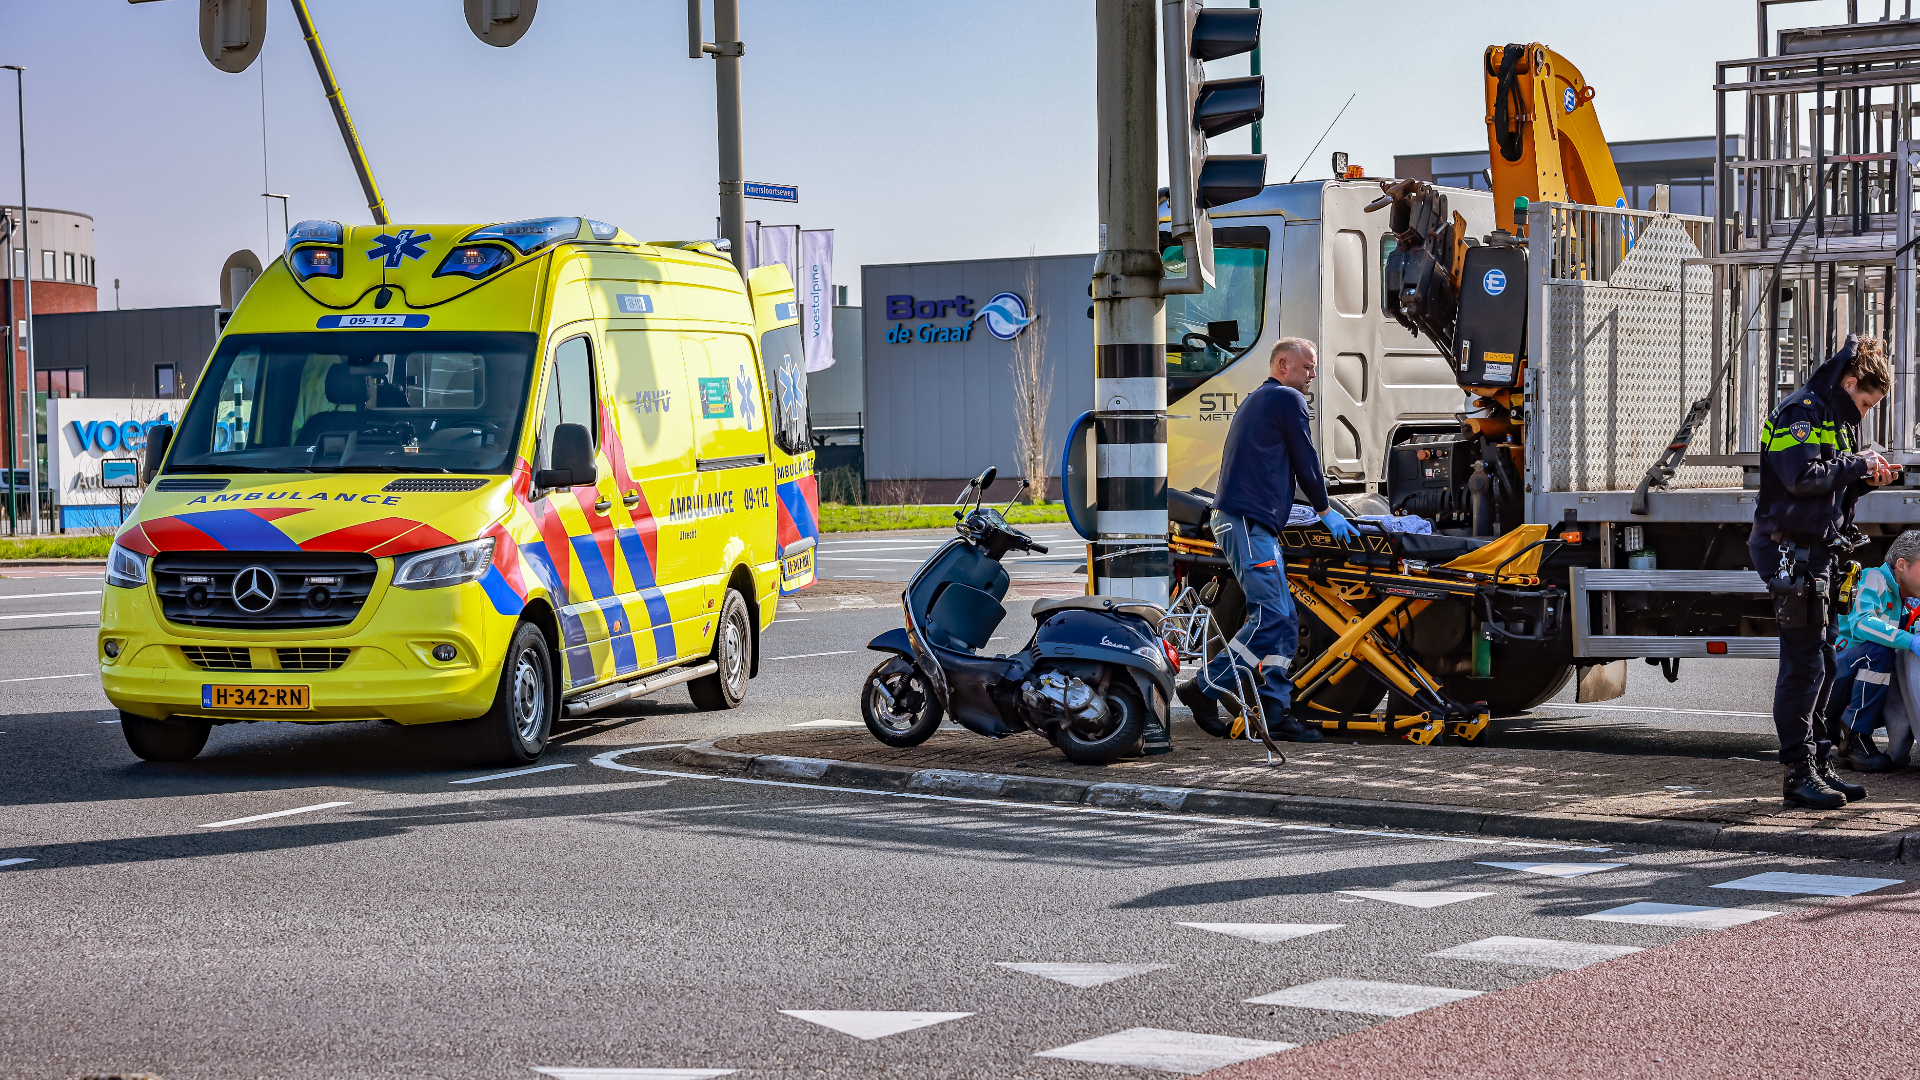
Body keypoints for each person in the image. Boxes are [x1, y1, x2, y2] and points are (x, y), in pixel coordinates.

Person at [1176, 337, 1359, 743]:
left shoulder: (1263, 399)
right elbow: (1305, 459)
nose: (1312, 374)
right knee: (1271, 615)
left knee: (1285, 620)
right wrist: (1325, 510)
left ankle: (1275, 709)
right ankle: (1203, 687)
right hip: (1246, 522)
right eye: (1307, 366)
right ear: (1282, 365)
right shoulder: (1286, 400)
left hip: (1251, 523)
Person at [1750, 334, 1898, 809]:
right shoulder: (1802, 413)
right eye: (1866, 400)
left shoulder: (1836, 417)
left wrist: (1866, 479)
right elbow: (1801, 479)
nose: (1867, 411)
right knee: (1803, 666)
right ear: (1850, 381)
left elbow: (1832, 493)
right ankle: (1798, 775)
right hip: (1791, 554)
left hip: (1821, 555)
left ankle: (1820, 763)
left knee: (1827, 660)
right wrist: (1856, 464)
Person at [1824, 529, 1920, 772]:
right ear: (1902, 565)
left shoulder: (1909, 598)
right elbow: (1861, 622)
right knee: (1878, 653)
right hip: (1832, 683)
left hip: (1851, 683)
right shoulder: (1873, 578)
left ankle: (1853, 734)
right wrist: (1910, 641)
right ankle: (1853, 741)